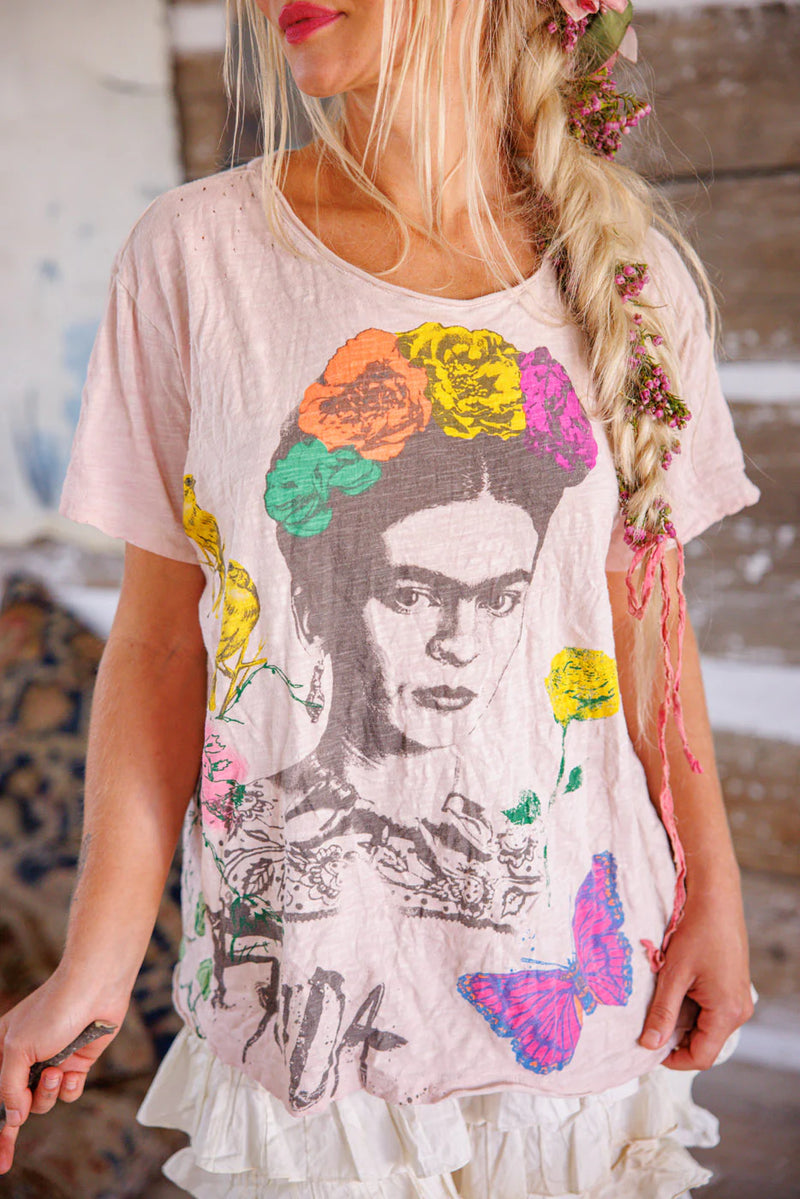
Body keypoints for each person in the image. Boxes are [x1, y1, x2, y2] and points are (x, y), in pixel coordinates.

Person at [0, 0, 759, 1194]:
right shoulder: (196, 256)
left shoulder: (628, 277)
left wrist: (712, 889)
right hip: (303, 1009)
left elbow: (645, 625)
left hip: (582, 1003)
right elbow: (159, 645)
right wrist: (96, 962)